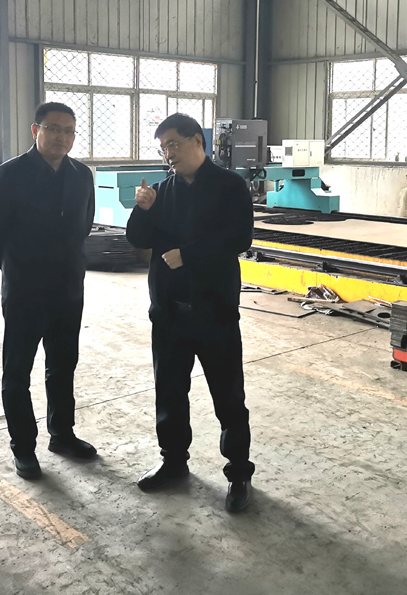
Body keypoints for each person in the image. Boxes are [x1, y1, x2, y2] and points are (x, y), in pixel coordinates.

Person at [125, 113, 255, 513]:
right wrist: (143, 209)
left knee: (228, 396)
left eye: (174, 144)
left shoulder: (230, 186)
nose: (169, 154)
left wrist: (189, 255)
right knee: (169, 392)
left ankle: (238, 473)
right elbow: (137, 239)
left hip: (214, 310)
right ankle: (173, 462)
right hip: (169, 312)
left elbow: (240, 237)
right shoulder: (162, 191)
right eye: (163, 148)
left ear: (198, 141)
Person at [0, 102, 97, 480]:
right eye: (54, 128)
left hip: (68, 287)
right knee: (18, 369)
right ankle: (23, 446)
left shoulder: (81, 175)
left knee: (63, 364)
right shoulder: (10, 174)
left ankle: (62, 434)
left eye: (69, 131)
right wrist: (16, 264)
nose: (62, 137)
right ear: (35, 130)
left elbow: (84, 224)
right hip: (25, 288)